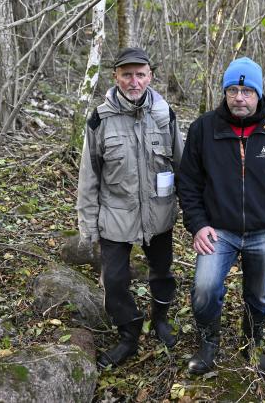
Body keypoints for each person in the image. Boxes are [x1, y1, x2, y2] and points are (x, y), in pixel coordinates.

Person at [177, 57, 265, 374]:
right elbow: (189, 184)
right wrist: (198, 225)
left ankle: (251, 344)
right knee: (205, 289)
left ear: (259, 94)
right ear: (224, 92)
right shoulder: (203, 129)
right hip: (217, 230)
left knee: (260, 295)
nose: (239, 97)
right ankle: (209, 344)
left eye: (247, 91)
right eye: (233, 90)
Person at [76, 47, 184, 367]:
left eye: (140, 74)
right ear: (116, 77)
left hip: (159, 213)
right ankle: (129, 332)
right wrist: (88, 225)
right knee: (114, 281)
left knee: (162, 273)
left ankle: (160, 319)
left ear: (150, 76)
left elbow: (185, 165)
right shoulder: (100, 119)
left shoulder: (165, 114)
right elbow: (89, 176)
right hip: (115, 214)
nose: (134, 81)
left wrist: (196, 214)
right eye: (127, 75)